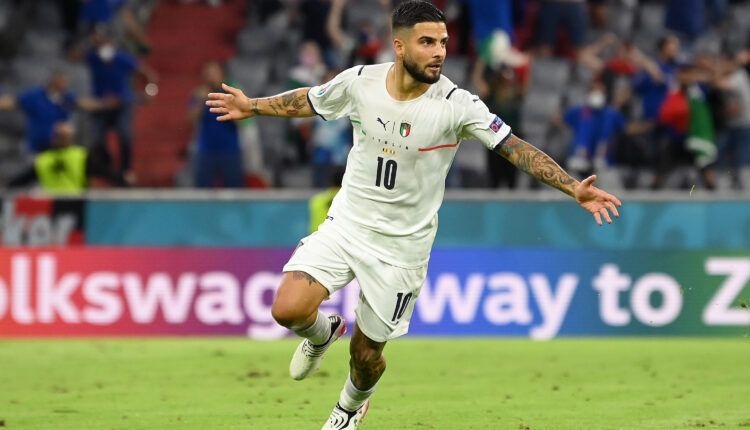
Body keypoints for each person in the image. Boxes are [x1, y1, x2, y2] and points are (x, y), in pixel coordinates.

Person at [206, 2, 621, 428]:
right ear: (400, 46)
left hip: (402, 248)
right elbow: (309, 101)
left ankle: (348, 409)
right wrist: (252, 105)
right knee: (288, 309)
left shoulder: (458, 104)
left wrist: (572, 186)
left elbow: (513, 147)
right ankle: (322, 332)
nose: (439, 51)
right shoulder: (360, 82)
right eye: (427, 42)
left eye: (443, 42)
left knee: (366, 357)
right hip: (348, 224)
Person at [6, 121, 128, 194]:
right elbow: (26, 177)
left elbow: (103, 171)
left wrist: (121, 179)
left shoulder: (80, 156)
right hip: (58, 202)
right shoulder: (46, 158)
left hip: (74, 201)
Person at [188, 60, 244, 188]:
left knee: (235, 190)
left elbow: (242, 123)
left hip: (230, 150)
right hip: (206, 150)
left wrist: (229, 106)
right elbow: (190, 121)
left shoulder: (232, 95)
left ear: (222, 75)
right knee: (202, 191)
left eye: (214, 73)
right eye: (207, 73)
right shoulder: (198, 95)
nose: (210, 76)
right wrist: (200, 101)